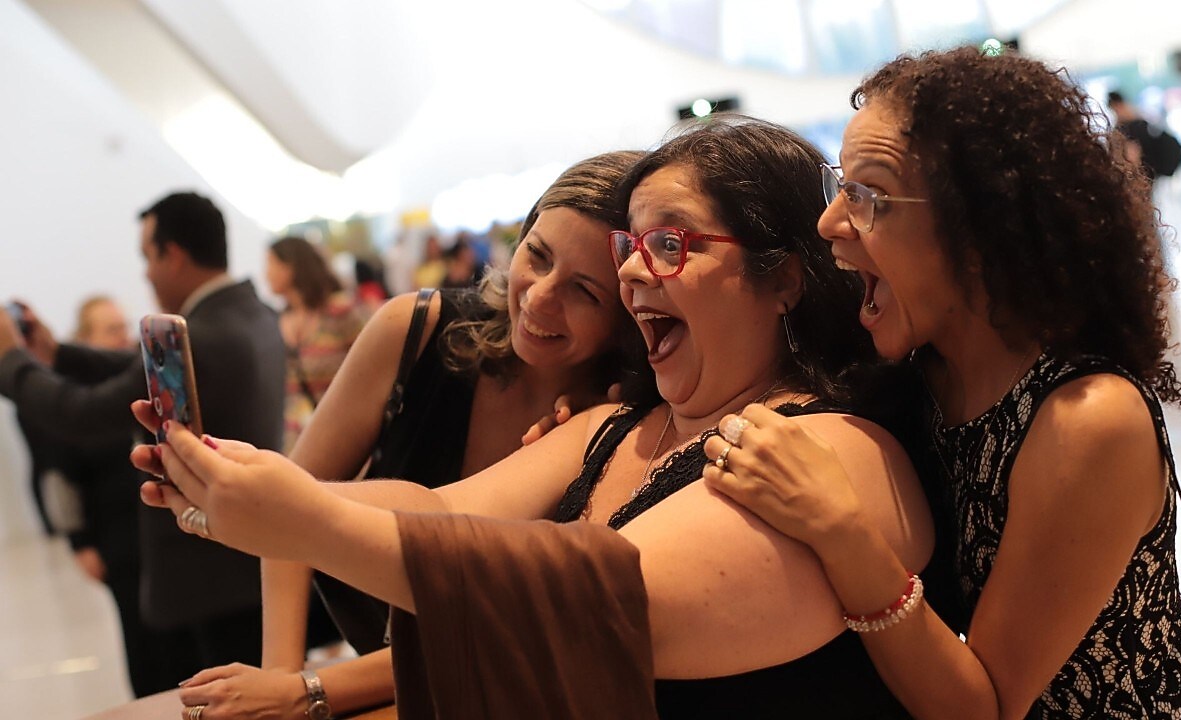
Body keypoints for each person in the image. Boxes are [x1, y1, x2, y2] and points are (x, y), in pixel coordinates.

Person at [134, 118, 935, 719]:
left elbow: (595, 602)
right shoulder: (615, 424)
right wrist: (242, 483)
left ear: (784, 278)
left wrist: (300, 518)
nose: (632, 269)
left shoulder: (831, 448)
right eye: (630, 245)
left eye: (667, 242)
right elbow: (439, 512)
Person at [701, 48, 1181, 719]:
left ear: (981, 230)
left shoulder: (1086, 416)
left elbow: (985, 707)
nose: (831, 223)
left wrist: (836, 527)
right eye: (840, 187)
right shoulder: (921, 373)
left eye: (868, 197)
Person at [166, 151, 653, 719]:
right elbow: (294, 506)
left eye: (585, 291)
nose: (540, 296)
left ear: (629, 314)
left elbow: (493, 619)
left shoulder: (626, 423)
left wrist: (309, 690)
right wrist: (279, 673)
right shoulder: (415, 328)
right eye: (537, 256)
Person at [0, 191, 286, 691]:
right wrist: (58, 354)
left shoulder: (201, 337)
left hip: (210, 575)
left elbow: (82, 414)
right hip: (243, 563)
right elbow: (141, 373)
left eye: (147, 258)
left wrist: (11, 360)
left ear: (172, 255)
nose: (146, 274)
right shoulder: (250, 314)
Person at [264, 236, 369, 454]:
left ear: (291, 267)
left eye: (272, 264)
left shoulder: (340, 311)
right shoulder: (276, 319)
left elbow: (372, 366)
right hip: (295, 443)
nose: (266, 273)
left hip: (341, 439)